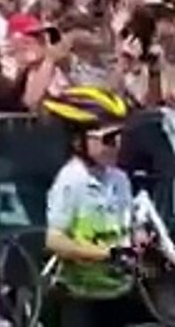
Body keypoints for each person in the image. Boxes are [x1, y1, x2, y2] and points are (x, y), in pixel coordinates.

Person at [42, 86, 149, 327]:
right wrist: (106, 254)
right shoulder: (70, 181)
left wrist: (138, 236)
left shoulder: (119, 178)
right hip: (82, 296)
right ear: (77, 140)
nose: (117, 145)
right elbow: (55, 240)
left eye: (121, 137)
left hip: (119, 291)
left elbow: (128, 225)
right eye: (109, 139)